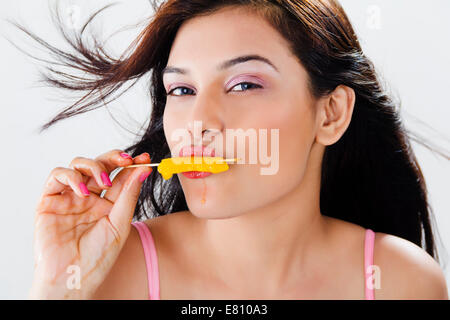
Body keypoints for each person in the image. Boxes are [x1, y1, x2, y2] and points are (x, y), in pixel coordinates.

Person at [25, 0, 448, 299]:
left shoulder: (403, 284)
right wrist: (59, 289)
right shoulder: (111, 273)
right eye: (182, 89)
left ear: (331, 113)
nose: (198, 122)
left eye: (244, 85)